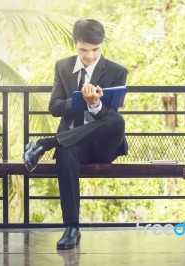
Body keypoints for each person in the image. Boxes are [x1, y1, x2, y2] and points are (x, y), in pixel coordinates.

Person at [22, 19, 128, 250]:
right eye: (83, 50)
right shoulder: (62, 66)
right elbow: (55, 107)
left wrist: (95, 105)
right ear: (75, 44)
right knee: (66, 151)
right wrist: (81, 100)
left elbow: (110, 118)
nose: (89, 56)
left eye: (95, 50)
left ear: (101, 46)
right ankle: (71, 229)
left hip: (103, 146)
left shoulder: (117, 71)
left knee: (117, 120)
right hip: (74, 145)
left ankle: (46, 143)